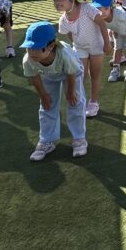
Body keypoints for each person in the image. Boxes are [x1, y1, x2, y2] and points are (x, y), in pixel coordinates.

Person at [21, 21, 87, 161]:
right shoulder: (29, 59)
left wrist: (70, 92)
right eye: (29, 48)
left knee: (75, 102)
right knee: (46, 106)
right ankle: (46, 141)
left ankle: (79, 139)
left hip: (72, 73)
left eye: (37, 48)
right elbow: (35, 77)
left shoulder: (64, 54)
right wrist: (43, 95)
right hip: (49, 75)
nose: (32, 52)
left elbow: (71, 73)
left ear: (51, 46)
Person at [48, 0, 110, 118]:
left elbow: (101, 23)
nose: (57, 2)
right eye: (55, 0)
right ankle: (80, 101)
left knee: (95, 74)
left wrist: (107, 43)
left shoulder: (87, 8)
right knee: (80, 75)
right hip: (80, 47)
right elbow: (69, 33)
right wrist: (76, 43)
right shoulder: (63, 20)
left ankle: (93, 102)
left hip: (96, 45)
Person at [91, 0, 126, 83]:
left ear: (111, 7)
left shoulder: (120, 14)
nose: (102, 12)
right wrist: (114, 30)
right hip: (118, 29)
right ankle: (115, 69)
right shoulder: (99, 18)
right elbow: (109, 24)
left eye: (105, 8)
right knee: (117, 48)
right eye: (98, 9)